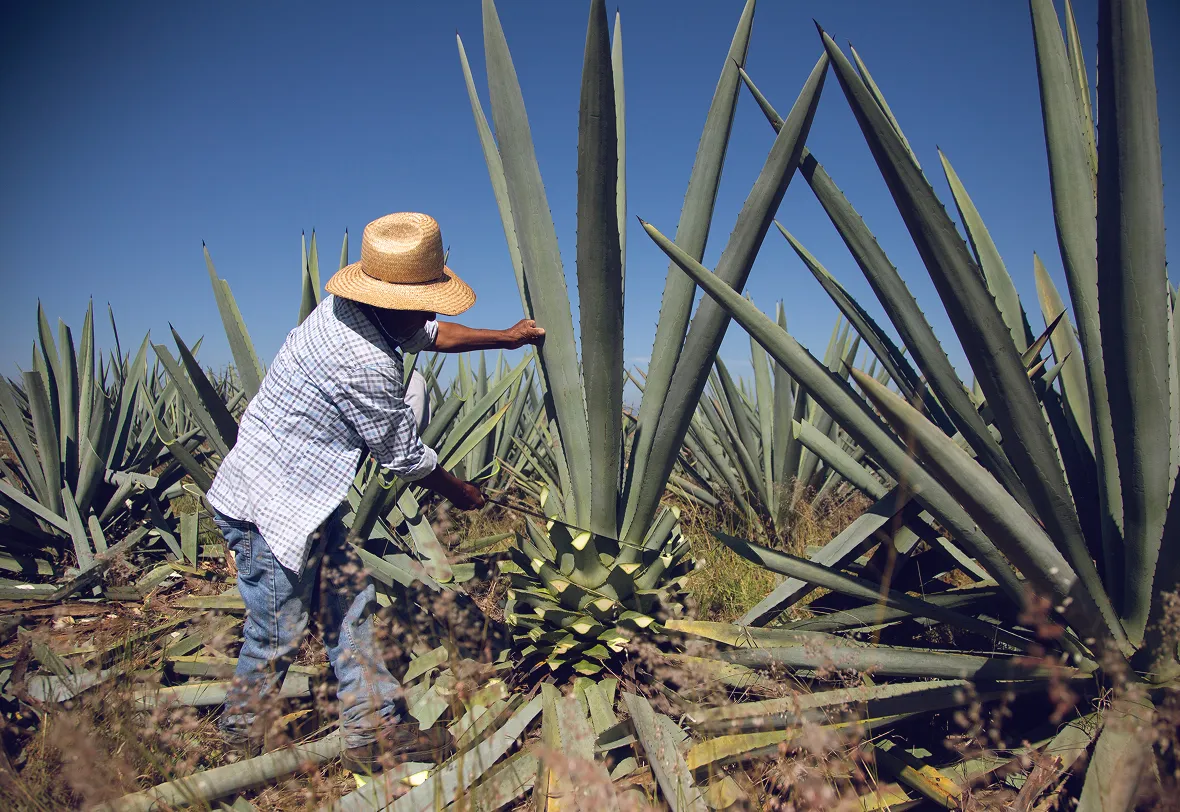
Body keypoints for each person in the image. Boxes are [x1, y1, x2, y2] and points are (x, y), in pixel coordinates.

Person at [204, 211, 544, 772]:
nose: (431, 309)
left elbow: (431, 333)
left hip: (309, 501)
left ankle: (371, 731)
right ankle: (237, 744)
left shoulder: (361, 308)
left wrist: (504, 338)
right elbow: (401, 456)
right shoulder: (357, 357)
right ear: (390, 297)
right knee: (276, 633)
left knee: (352, 608)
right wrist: (460, 491)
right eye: (424, 297)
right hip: (265, 509)